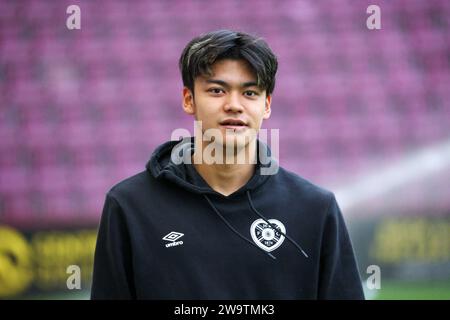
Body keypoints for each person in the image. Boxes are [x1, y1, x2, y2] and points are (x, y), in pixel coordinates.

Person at [90, 29, 365, 299]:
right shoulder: (129, 206)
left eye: (250, 93)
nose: (234, 105)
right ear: (189, 99)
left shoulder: (316, 209)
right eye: (217, 90)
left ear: (266, 105)